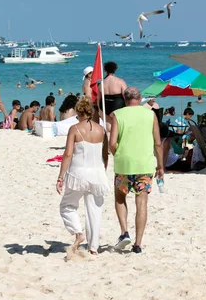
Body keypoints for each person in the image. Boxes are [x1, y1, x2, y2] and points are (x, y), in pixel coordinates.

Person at [109, 87, 164, 254]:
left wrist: (117, 153)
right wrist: (160, 166)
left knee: (120, 197)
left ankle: (124, 232)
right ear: (140, 98)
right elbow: (157, 143)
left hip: (124, 163)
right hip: (145, 164)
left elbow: (112, 143)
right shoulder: (151, 115)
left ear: (125, 100)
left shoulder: (117, 115)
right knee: (142, 203)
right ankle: (138, 244)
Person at [56, 98, 109, 255]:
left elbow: (68, 154)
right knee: (95, 210)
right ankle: (93, 248)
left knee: (67, 206)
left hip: (78, 173)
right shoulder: (101, 130)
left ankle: (79, 233)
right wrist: (103, 170)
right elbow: (105, 155)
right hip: (97, 172)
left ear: (78, 112)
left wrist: (60, 177)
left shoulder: (74, 129)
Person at [98, 61, 127, 126]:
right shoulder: (120, 81)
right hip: (118, 105)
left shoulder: (102, 83)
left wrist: (100, 110)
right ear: (114, 70)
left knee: (108, 128)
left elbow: (98, 98)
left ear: (105, 71)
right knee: (118, 126)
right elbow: (126, 96)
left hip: (105, 105)